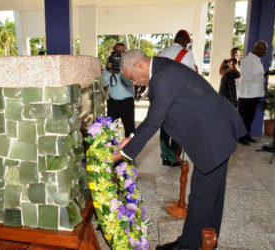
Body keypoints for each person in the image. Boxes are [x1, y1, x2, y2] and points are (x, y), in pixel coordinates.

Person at [113, 49, 246, 250]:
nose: (135, 83)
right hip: (216, 131)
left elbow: (152, 122)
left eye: (132, 78)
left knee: (201, 195)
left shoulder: (163, 77)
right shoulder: (161, 67)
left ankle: (188, 246)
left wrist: (121, 154)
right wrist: (130, 138)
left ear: (139, 65)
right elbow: (155, 115)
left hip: (213, 136)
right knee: (213, 194)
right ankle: (205, 240)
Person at [158, 30, 196, 167]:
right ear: (184, 41)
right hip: (179, 98)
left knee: (165, 127)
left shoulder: (163, 53)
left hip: (162, 97)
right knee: (179, 127)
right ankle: (174, 158)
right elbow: (192, 76)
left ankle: (165, 156)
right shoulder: (186, 54)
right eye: (187, 43)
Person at [238, 40, 268, 145]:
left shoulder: (257, 60)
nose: (266, 52)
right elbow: (246, 77)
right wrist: (262, 76)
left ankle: (247, 135)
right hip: (247, 94)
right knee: (244, 118)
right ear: (257, 48)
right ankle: (241, 137)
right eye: (264, 49)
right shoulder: (246, 60)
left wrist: (263, 76)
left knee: (250, 117)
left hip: (255, 94)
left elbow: (256, 76)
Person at [103, 43, 135, 137]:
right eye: (118, 51)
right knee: (110, 130)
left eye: (123, 51)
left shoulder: (130, 66)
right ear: (114, 52)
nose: (121, 53)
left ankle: (129, 150)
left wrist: (122, 71)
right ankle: (110, 150)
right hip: (113, 103)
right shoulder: (109, 66)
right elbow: (104, 84)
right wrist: (109, 71)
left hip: (127, 103)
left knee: (130, 129)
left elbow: (130, 83)